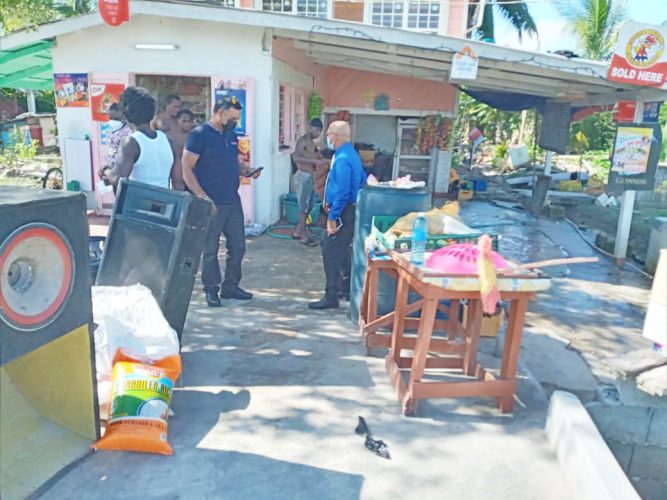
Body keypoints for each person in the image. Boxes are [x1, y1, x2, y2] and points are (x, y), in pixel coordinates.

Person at [181, 96, 261, 307]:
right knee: (210, 249)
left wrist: (247, 171)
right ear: (220, 112)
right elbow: (186, 167)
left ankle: (231, 287)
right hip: (210, 201)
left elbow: (232, 162)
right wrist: (203, 198)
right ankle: (211, 289)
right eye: (232, 117)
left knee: (238, 246)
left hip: (231, 200)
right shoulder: (199, 135)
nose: (235, 122)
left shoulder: (230, 135)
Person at [309, 121, 366, 310]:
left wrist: (333, 216)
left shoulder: (342, 158)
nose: (327, 137)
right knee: (341, 251)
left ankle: (331, 295)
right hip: (348, 210)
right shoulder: (351, 155)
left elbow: (342, 191)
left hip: (341, 211)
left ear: (337, 136)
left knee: (330, 251)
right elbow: (362, 181)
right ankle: (345, 289)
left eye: (330, 134)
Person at [98, 86, 182, 190]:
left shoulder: (131, 143)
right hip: (164, 203)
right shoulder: (168, 141)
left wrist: (105, 170)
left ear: (125, 116)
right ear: (152, 114)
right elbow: (178, 183)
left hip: (138, 203)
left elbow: (117, 178)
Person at [290, 118, 328, 246]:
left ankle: (298, 231)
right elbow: (296, 157)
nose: (318, 133)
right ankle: (303, 236)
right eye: (316, 130)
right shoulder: (303, 141)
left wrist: (324, 160)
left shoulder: (312, 143)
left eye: (320, 131)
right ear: (310, 127)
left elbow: (317, 155)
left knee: (310, 206)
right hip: (303, 176)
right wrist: (315, 162)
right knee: (303, 207)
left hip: (310, 177)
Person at [104, 103, 131, 170]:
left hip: (122, 166)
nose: (112, 121)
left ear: (124, 117)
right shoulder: (109, 129)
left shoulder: (128, 130)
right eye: (111, 118)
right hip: (110, 163)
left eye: (116, 119)